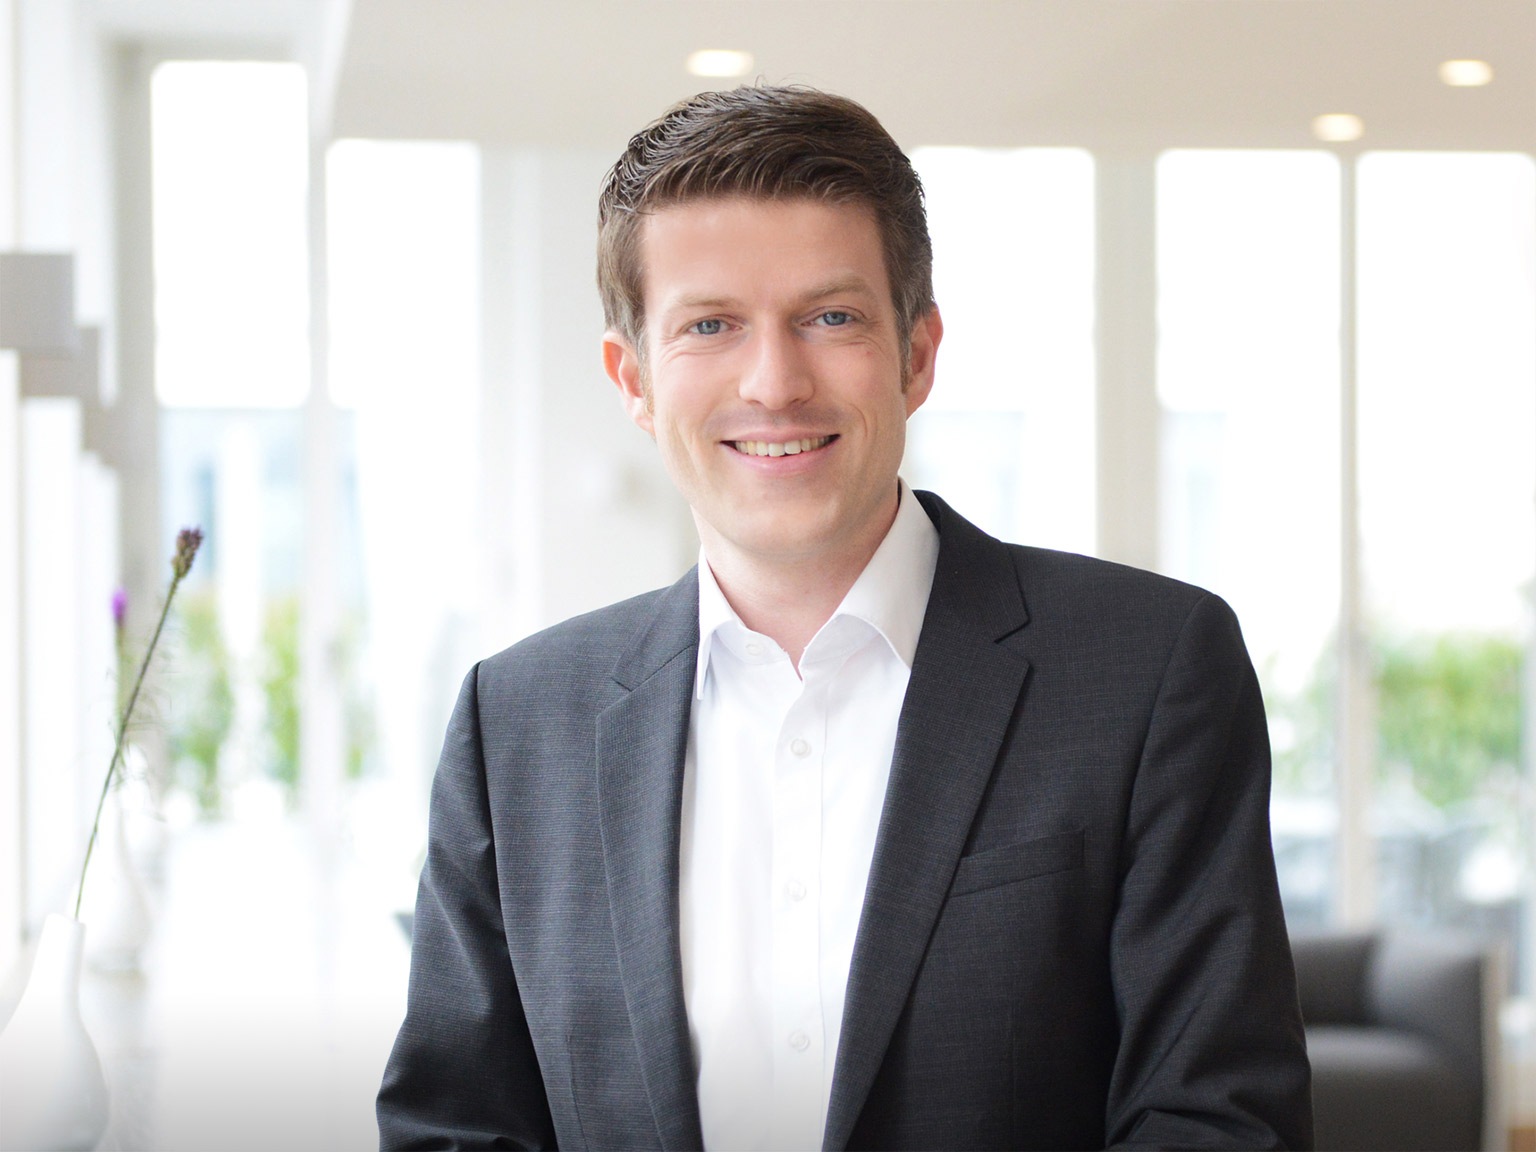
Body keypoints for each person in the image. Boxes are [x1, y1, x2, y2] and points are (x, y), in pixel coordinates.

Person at [377, 85, 1312, 1151]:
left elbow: (1219, 1118)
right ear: (632, 379)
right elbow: (453, 1124)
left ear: (917, 354)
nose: (775, 383)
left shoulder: (1147, 671)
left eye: (831, 318)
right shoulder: (517, 721)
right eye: (710, 325)